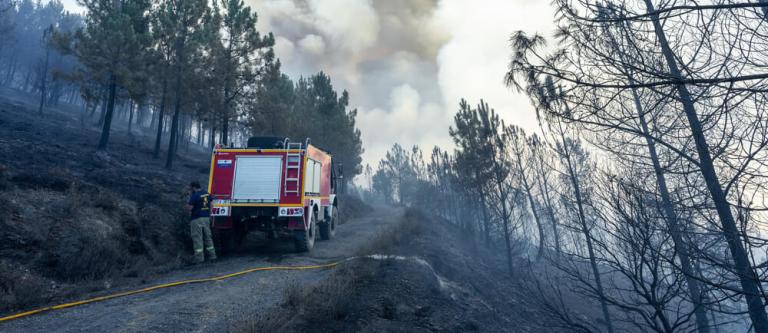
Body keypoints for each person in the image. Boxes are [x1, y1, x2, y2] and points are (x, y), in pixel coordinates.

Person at [185, 181, 216, 263]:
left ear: (193, 187)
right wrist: (210, 214)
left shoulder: (194, 196)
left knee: (197, 238)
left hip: (196, 219)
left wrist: (187, 201)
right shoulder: (207, 193)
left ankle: (199, 259)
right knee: (208, 237)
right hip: (206, 218)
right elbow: (212, 204)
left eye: (190, 187)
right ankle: (212, 256)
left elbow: (189, 208)